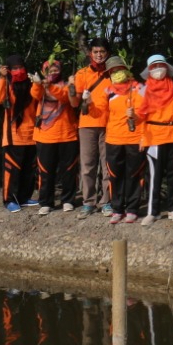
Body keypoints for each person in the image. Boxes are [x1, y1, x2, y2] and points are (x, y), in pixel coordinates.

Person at [137, 55, 173, 226]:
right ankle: (152, 211)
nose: (158, 69)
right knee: (154, 175)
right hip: (154, 135)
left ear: (167, 68)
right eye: (154, 66)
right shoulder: (143, 91)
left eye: (161, 65)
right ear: (149, 70)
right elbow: (139, 117)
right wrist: (141, 138)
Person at [70, 38, 114, 217]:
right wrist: (72, 89)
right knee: (87, 165)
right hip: (87, 124)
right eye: (95, 52)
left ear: (107, 53)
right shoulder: (82, 74)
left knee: (107, 165)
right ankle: (88, 202)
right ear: (90, 54)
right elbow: (74, 104)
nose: (99, 55)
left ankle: (106, 202)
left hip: (110, 125)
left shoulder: (113, 73)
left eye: (102, 52)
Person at [31, 59, 79, 214]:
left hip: (67, 134)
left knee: (69, 171)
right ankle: (46, 202)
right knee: (45, 171)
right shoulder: (41, 85)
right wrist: (38, 84)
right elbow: (35, 95)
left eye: (56, 69)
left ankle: (68, 200)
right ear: (44, 71)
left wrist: (49, 86)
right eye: (49, 70)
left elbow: (65, 97)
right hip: (45, 135)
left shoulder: (67, 85)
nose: (53, 72)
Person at [0, 55, 39, 211]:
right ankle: (9, 200)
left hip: (32, 135)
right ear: (9, 70)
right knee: (12, 171)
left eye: (21, 67)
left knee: (29, 170)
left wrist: (39, 83)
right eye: (14, 68)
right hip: (13, 136)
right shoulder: (8, 85)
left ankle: (24, 198)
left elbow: (39, 99)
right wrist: (2, 78)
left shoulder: (32, 84)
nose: (18, 71)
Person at [102, 56, 144, 224]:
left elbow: (147, 113)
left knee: (133, 174)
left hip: (135, 138)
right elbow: (102, 113)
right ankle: (117, 209)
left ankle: (132, 209)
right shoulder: (108, 90)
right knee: (115, 175)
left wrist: (136, 115)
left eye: (119, 70)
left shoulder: (138, 88)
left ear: (126, 70)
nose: (116, 73)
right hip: (113, 139)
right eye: (112, 71)